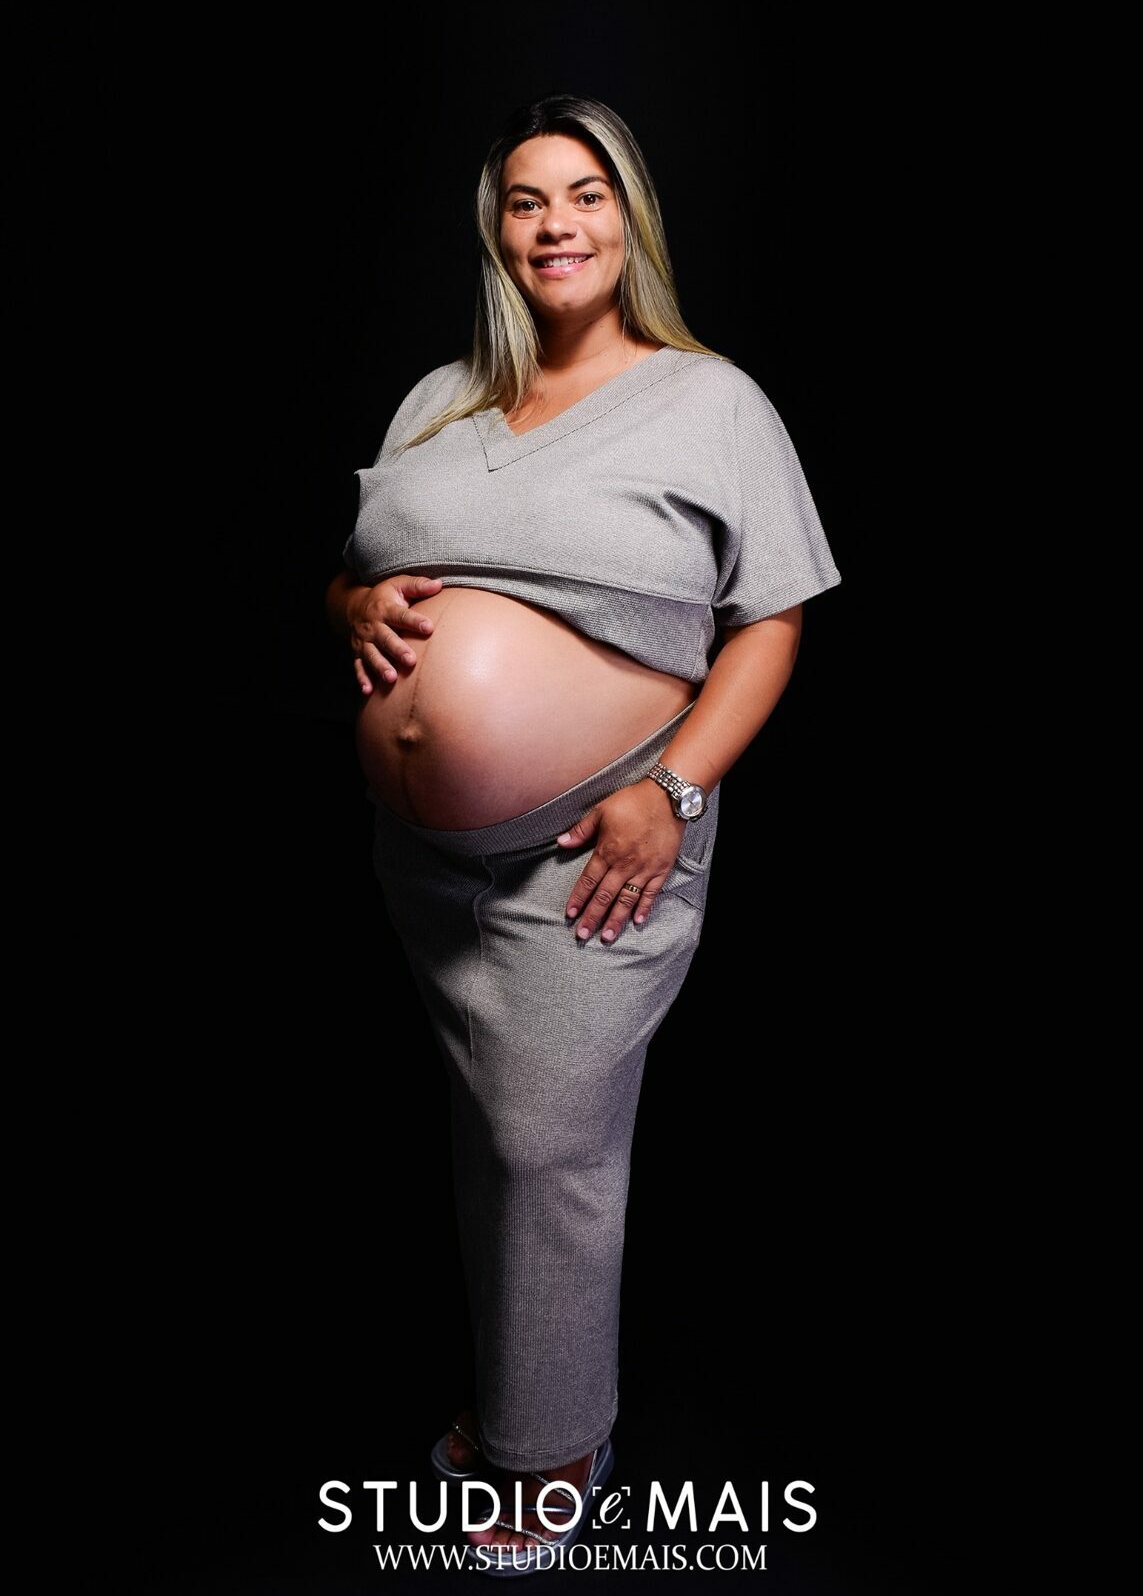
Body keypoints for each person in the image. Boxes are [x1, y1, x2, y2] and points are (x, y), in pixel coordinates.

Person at [325, 93, 841, 1576]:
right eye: (527, 200)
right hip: (429, 868)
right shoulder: (437, 400)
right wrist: (355, 605)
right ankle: (525, 1401)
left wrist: (671, 789)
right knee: (498, 1134)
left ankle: (553, 1451)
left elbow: (772, 617)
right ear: (496, 230)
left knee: (547, 1141)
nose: (557, 224)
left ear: (631, 220)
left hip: (596, 847)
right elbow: (355, 575)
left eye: (587, 195)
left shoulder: (709, 401)